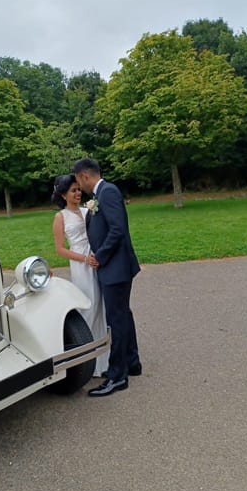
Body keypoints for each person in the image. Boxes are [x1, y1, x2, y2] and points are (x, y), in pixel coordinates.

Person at [72, 158, 141, 397]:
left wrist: (99, 256)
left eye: (79, 181)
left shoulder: (108, 192)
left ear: (84, 176)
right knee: (123, 314)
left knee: (116, 320)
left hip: (115, 267)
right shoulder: (102, 194)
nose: (79, 187)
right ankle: (132, 363)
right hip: (114, 267)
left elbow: (117, 230)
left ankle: (117, 376)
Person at [51, 174, 110, 377]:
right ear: (63, 194)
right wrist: (84, 259)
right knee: (89, 305)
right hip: (80, 262)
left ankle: (105, 359)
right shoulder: (60, 217)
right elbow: (60, 249)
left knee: (101, 305)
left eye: (78, 189)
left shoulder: (88, 210)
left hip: (96, 258)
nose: (78, 193)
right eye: (73, 190)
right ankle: (88, 357)